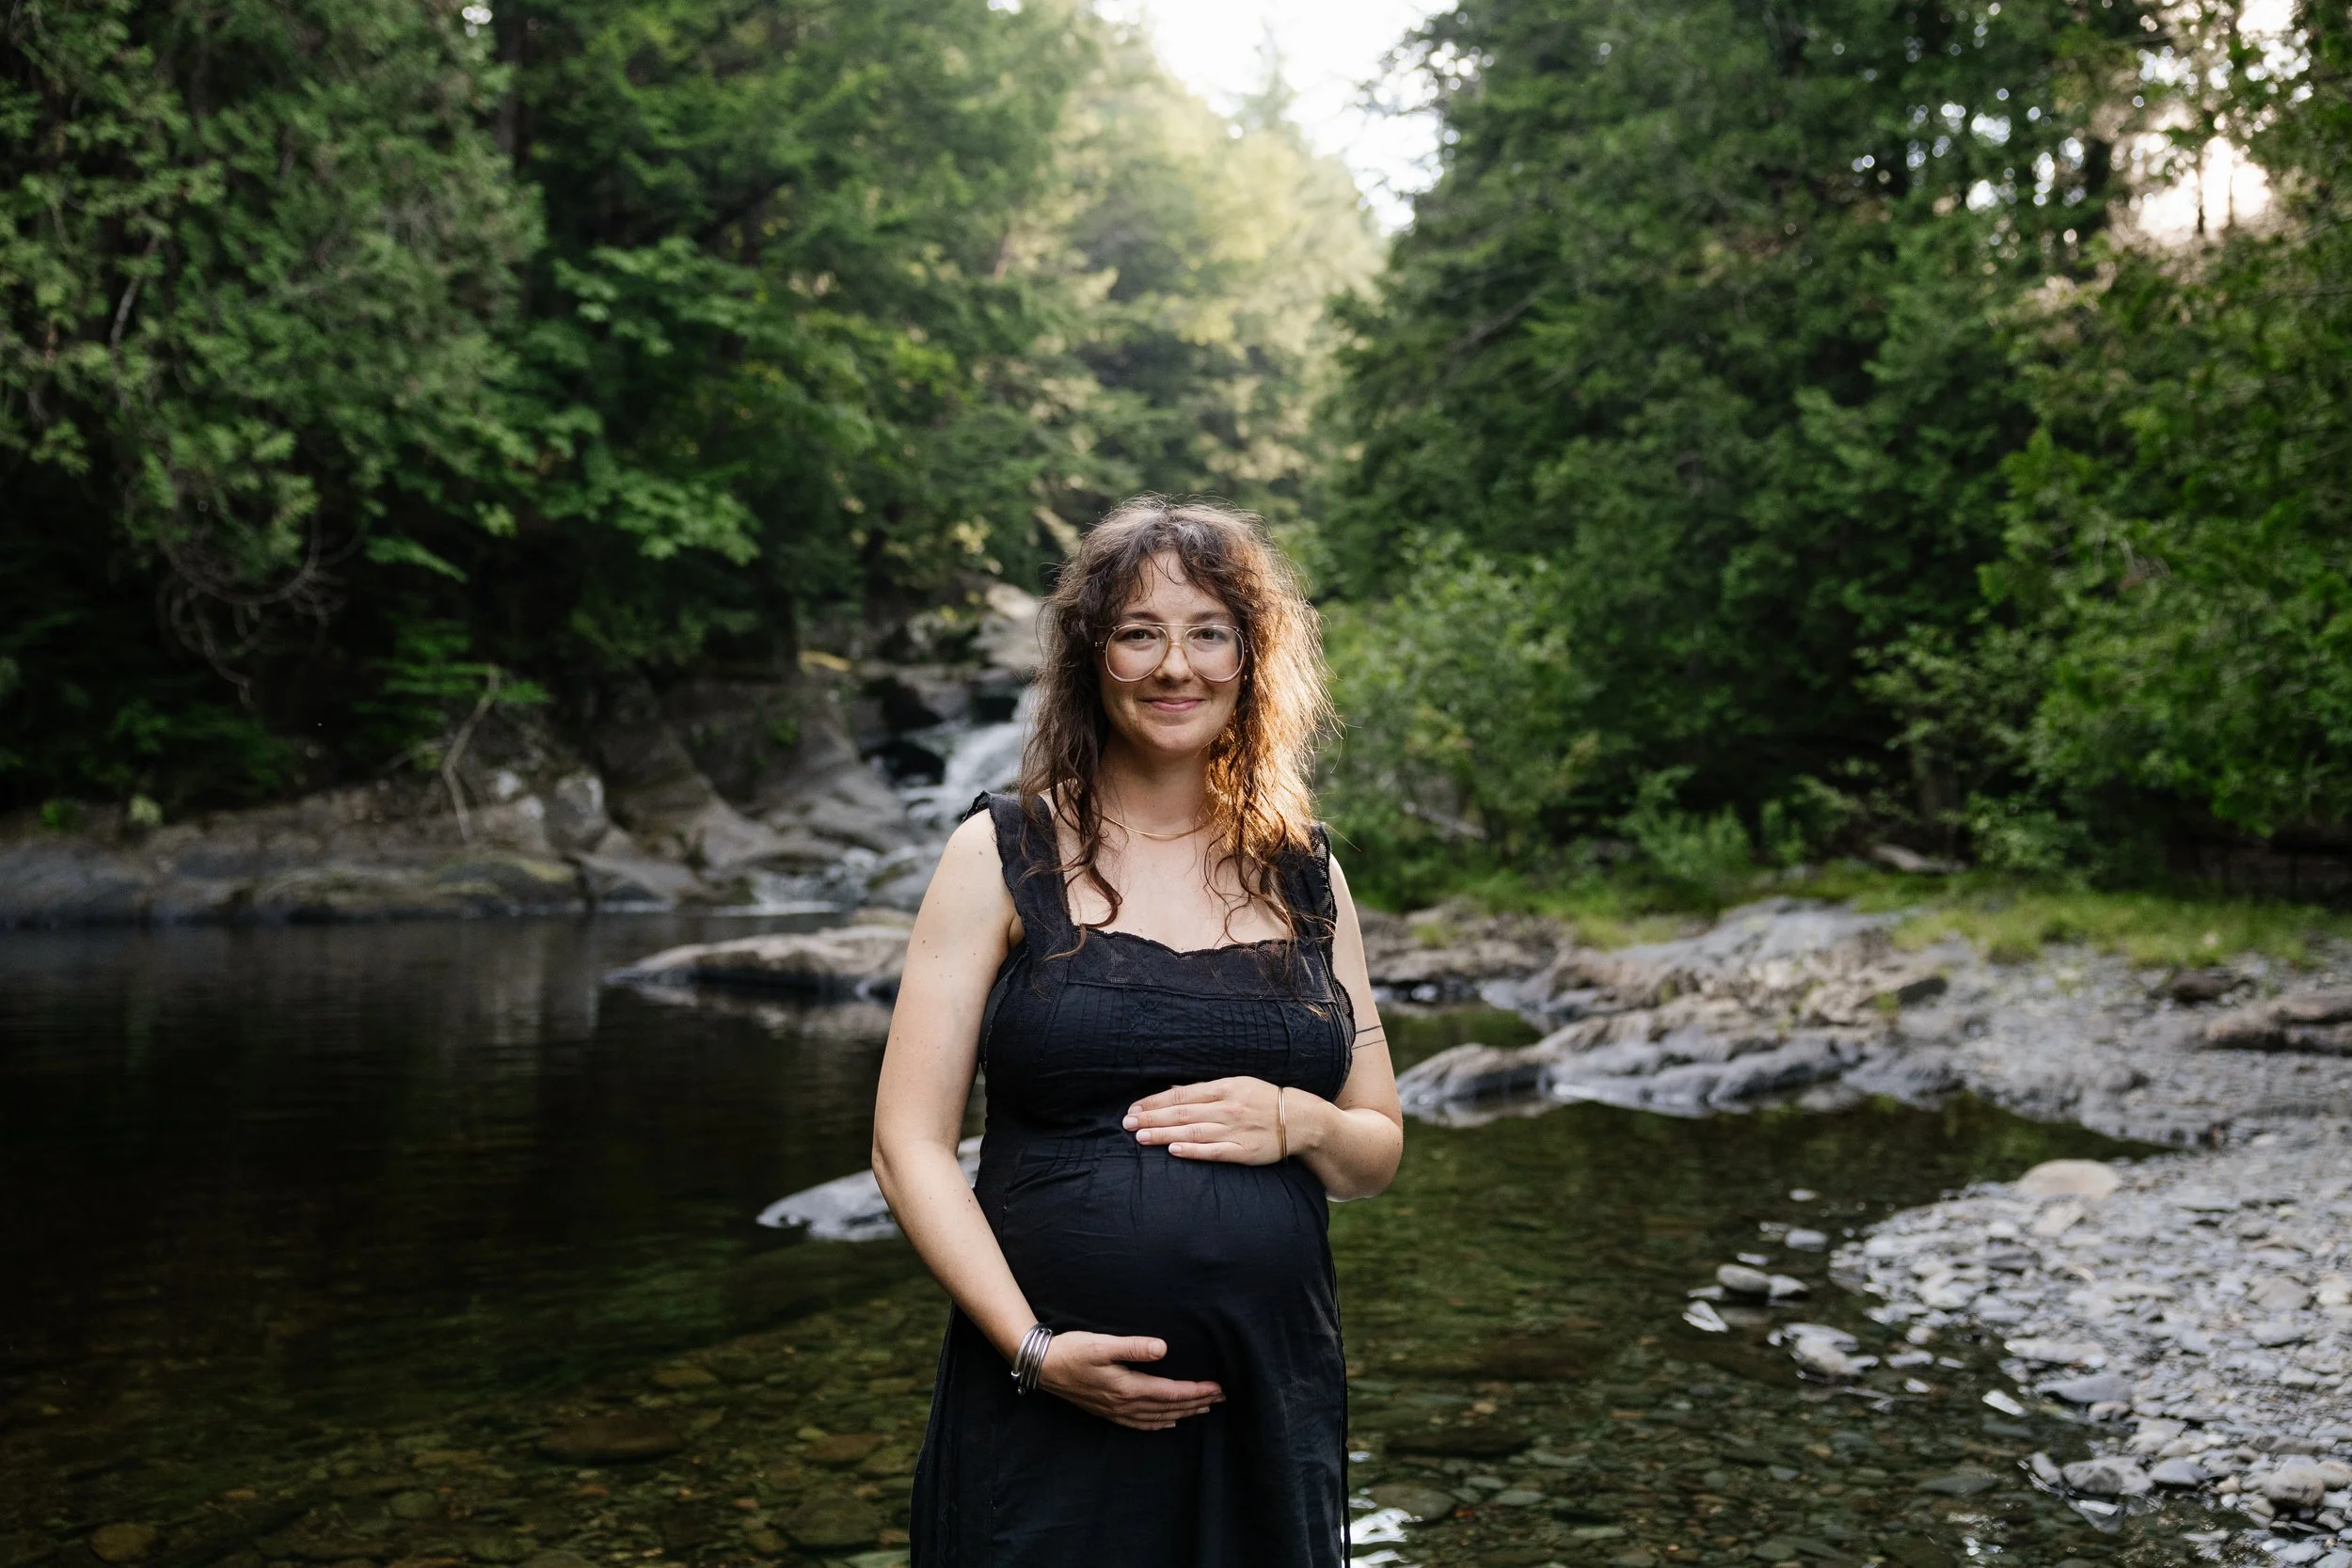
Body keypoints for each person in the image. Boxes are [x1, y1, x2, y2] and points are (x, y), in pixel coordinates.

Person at [870, 498, 1403, 1567]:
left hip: (1267, 1391)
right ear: (1092, 656)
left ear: (1252, 658)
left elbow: (1376, 1145)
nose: (1176, 665)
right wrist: (1032, 1349)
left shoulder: (1310, 870)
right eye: (1138, 631)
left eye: (1209, 630)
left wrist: (1298, 1117)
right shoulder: (1000, 849)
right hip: (1048, 1398)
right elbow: (906, 1145)